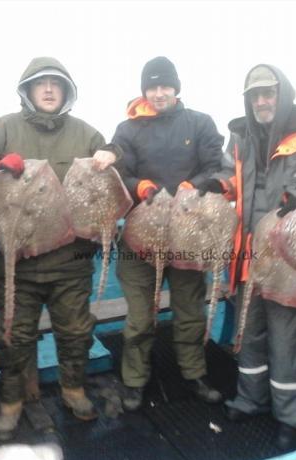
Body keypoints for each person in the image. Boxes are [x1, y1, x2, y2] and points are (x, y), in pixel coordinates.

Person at [0, 56, 122, 440]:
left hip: (71, 259)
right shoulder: (0, 128)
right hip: (15, 260)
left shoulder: (86, 133)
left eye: (57, 83)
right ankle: (11, 401)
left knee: (74, 331)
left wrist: (113, 153)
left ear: (67, 92)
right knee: (13, 335)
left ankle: (73, 388)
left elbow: (111, 175)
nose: (49, 89)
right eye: (41, 84)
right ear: (28, 91)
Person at [202, 64, 296, 451]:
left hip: (290, 259)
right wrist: (216, 184)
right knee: (248, 337)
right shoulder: (239, 136)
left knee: (288, 341)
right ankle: (251, 400)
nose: (262, 101)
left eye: (269, 93)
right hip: (247, 258)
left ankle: (291, 416)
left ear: (283, 94)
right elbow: (228, 176)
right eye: (255, 95)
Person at [111, 56, 225, 410]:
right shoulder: (127, 129)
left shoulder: (200, 123)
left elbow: (216, 166)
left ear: (176, 88)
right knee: (140, 317)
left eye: (165, 86)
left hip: (188, 232)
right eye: (152, 86)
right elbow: (118, 174)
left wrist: (197, 185)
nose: (159, 93)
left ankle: (194, 374)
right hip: (140, 236)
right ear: (144, 90)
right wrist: (139, 186)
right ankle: (134, 380)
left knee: (189, 310)